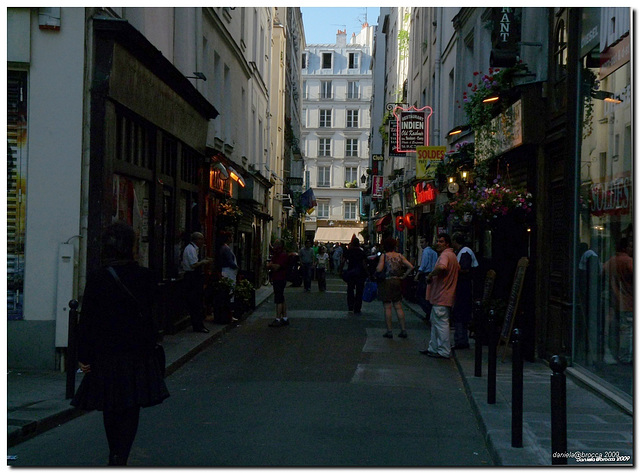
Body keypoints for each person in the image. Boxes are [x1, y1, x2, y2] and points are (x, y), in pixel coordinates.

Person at [71, 222, 169, 466]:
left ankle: (114, 452)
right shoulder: (144, 277)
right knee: (130, 407)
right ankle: (120, 457)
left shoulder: (98, 277)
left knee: (110, 406)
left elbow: (88, 319)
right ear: (131, 247)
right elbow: (155, 316)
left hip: (106, 353)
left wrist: (83, 355)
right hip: (136, 353)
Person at [420, 233, 460, 359]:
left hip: (442, 295)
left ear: (447, 243)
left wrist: (431, 275)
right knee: (436, 322)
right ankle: (434, 348)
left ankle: (443, 350)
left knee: (441, 324)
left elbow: (442, 267)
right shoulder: (452, 255)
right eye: (437, 241)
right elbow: (458, 268)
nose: (438, 243)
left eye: (441, 241)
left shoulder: (445, 255)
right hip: (444, 295)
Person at [602, 237, 633, 364]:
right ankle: (625, 356)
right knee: (627, 332)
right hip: (628, 302)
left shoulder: (610, 261)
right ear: (626, 248)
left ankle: (620, 354)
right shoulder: (628, 261)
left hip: (616, 302)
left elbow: (602, 273)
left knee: (621, 330)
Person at [376, 236, 414, 338]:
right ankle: (403, 329)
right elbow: (411, 266)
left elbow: (379, 269)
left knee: (387, 307)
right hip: (397, 281)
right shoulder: (400, 256)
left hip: (387, 282)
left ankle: (389, 331)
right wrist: (403, 276)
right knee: (398, 306)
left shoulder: (384, 256)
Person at [451, 233, 479, 349]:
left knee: (460, 312)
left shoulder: (465, 252)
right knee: (461, 313)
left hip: (464, 286)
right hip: (462, 286)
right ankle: (461, 339)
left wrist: (453, 270)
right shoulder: (462, 252)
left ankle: (461, 340)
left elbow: (465, 268)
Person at [182, 231, 213, 333]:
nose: (203, 241)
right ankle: (198, 325)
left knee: (198, 302)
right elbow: (193, 265)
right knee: (195, 302)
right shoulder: (190, 249)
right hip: (192, 277)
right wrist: (204, 262)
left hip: (194, 277)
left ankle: (198, 324)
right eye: (202, 239)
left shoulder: (194, 249)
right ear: (197, 240)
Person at [341, 235, 368, 315]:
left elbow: (343, 261)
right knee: (359, 291)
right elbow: (364, 263)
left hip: (351, 272)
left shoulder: (349, 251)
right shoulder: (361, 252)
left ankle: (350, 305)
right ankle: (357, 307)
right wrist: (367, 272)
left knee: (350, 289)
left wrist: (340, 270)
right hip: (360, 273)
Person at [267, 239, 290, 327]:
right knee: (281, 297)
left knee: (278, 298)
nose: (274, 246)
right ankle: (284, 317)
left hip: (280, 278)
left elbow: (276, 266)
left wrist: (270, 265)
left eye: (276, 244)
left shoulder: (283, 255)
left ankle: (278, 318)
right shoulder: (276, 255)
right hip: (278, 278)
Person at [414, 236, 438, 318]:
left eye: (422, 242)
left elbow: (423, 264)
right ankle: (429, 312)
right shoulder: (434, 252)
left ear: (427, 243)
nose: (421, 244)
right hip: (432, 274)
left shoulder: (426, 252)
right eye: (420, 242)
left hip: (425, 274)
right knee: (429, 294)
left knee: (420, 294)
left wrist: (417, 274)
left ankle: (428, 311)